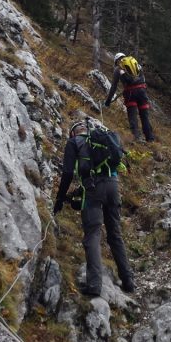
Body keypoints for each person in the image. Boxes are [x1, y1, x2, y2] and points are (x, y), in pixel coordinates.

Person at [52, 119, 135, 296]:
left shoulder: (74, 143)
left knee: (93, 235)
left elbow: (67, 173)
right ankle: (128, 281)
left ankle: (94, 286)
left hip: (92, 190)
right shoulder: (101, 139)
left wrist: (60, 198)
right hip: (113, 186)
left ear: (73, 132)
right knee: (115, 234)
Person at [105, 52, 155, 142]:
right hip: (142, 92)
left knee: (132, 116)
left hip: (130, 94)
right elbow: (143, 80)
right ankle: (150, 138)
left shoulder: (118, 69)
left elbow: (114, 87)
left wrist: (108, 100)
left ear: (116, 61)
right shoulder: (136, 65)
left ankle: (137, 137)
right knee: (144, 116)